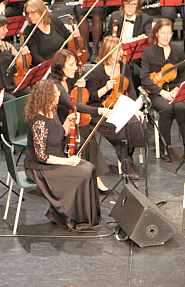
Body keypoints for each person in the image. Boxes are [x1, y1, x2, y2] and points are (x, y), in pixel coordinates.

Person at [24, 79, 100, 233]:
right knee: (83, 173)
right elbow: (42, 157)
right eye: (55, 92)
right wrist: (68, 162)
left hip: (56, 158)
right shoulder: (39, 123)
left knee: (90, 168)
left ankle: (85, 217)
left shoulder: (52, 111)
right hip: (41, 168)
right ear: (46, 97)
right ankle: (73, 217)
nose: (59, 93)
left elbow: (60, 134)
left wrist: (68, 121)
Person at [46, 49, 110, 191]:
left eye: (75, 64)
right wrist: (98, 110)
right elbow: (71, 104)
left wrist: (80, 85)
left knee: (87, 131)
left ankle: (94, 176)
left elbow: (81, 94)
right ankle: (94, 177)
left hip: (68, 122)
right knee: (86, 132)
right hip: (56, 129)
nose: (75, 68)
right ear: (60, 66)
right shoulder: (53, 84)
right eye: (71, 64)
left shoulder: (68, 80)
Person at [84, 36, 147, 177]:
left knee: (135, 122)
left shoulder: (124, 66)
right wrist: (105, 89)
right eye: (118, 50)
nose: (121, 52)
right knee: (120, 128)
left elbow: (130, 88)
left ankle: (128, 155)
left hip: (120, 105)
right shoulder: (97, 71)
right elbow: (90, 97)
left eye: (121, 49)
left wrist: (134, 108)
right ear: (108, 51)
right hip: (101, 109)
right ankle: (126, 163)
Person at [141, 18, 185, 162]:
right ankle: (164, 145)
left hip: (175, 92)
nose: (166, 36)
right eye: (163, 33)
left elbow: (184, 74)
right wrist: (161, 92)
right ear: (156, 33)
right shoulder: (148, 52)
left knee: (181, 107)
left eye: (169, 33)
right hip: (157, 93)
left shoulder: (178, 50)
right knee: (167, 109)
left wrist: (177, 89)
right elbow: (144, 78)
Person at [108, 0, 152, 88]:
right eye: (127, 4)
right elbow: (107, 38)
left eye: (133, 4)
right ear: (123, 4)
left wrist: (143, 38)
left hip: (136, 60)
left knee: (131, 67)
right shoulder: (115, 17)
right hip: (117, 57)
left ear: (138, 5)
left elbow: (150, 38)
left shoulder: (145, 19)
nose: (130, 8)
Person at [22, 0, 76, 65]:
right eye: (27, 13)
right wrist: (49, 66)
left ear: (41, 10)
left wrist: (74, 37)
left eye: (33, 13)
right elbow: (34, 55)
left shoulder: (55, 21)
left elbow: (68, 37)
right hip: (46, 65)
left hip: (63, 62)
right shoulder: (29, 31)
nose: (30, 16)